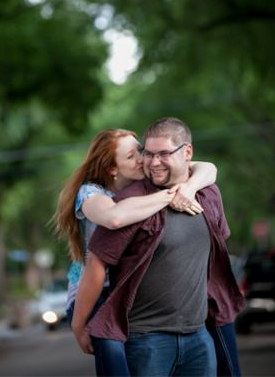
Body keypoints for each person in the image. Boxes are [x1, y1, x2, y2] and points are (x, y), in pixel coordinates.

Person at [71, 118, 246, 377]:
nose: (148, 161)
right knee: (108, 344)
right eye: (142, 155)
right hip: (107, 304)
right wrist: (78, 324)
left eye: (154, 153)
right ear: (112, 169)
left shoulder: (205, 191)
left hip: (196, 334)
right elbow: (113, 219)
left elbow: (208, 169)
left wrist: (189, 185)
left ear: (187, 152)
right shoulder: (108, 199)